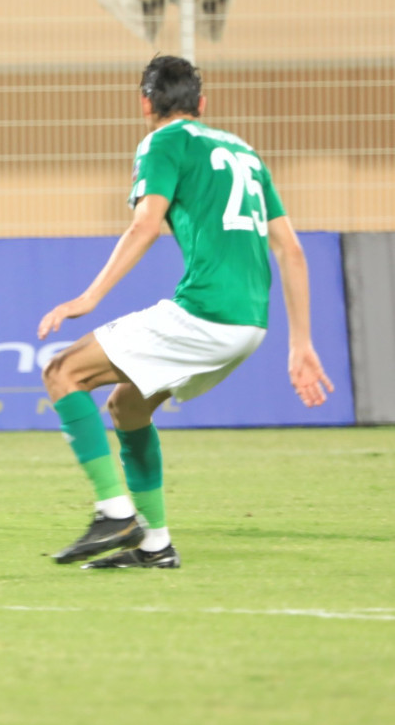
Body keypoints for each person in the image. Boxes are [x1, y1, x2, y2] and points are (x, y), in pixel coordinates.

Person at [37, 55, 333, 569]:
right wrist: (301, 343)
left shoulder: (161, 142)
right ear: (202, 103)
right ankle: (156, 547)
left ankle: (114, 512)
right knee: (128, 408)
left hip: (205, 312)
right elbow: (292, 249)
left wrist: (89, 297)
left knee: (62, 371)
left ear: (145, 104)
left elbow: (145, 224)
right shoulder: (244, 152)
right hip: (250, 325)